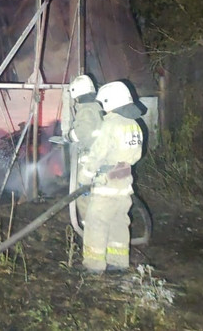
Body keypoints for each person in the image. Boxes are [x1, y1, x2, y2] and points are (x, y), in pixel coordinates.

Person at [80, 81, 144, 273]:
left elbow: (98, 153)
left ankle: (93, 265)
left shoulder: (111, 124)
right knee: (119, 221)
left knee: (96, 221)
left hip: (107, 181)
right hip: (125, 179)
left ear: (109, 102)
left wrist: (85, 175)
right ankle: (118, 261)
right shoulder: (134, 125)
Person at [67, 74, 104, 222]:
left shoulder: (86, 110)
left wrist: (70, 136)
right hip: (100, 157)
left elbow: (82, 132)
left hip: (89, 159)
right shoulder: (97, 107)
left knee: (83, 194)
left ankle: (87, 225)